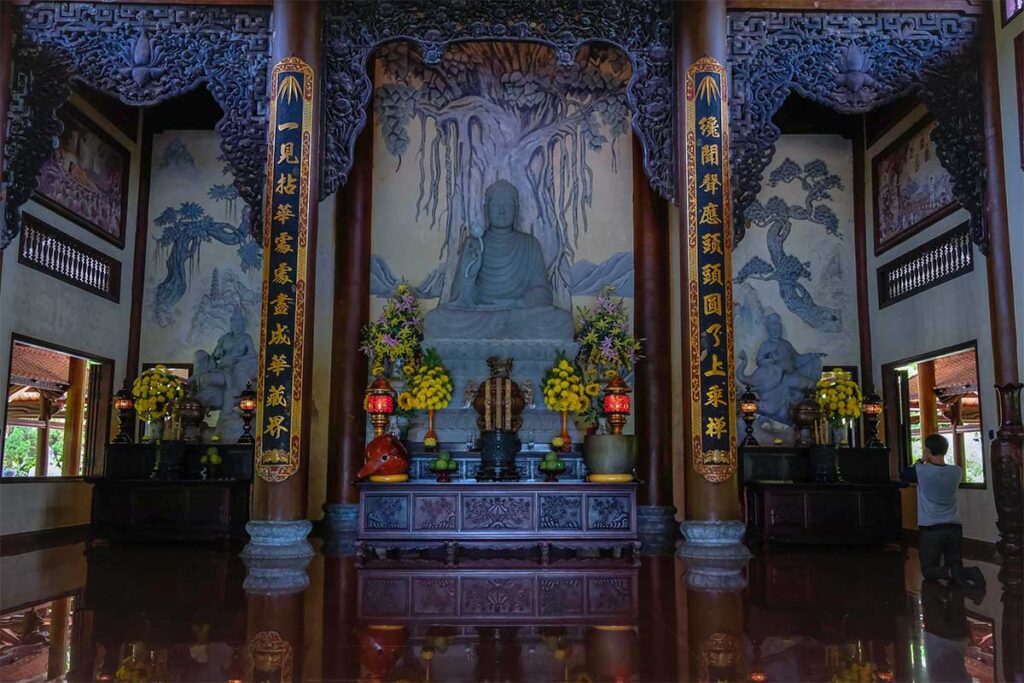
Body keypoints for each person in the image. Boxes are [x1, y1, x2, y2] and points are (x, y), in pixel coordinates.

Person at [901, 434, 985, 589]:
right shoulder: (956, 471)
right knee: (954, 563)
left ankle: (960, 574)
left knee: (928, 570)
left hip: (931, 528)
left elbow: (904, 476)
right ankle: (968, 573)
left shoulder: (921, 470)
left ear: (927, 450)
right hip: (954, 526)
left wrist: (921, 459)